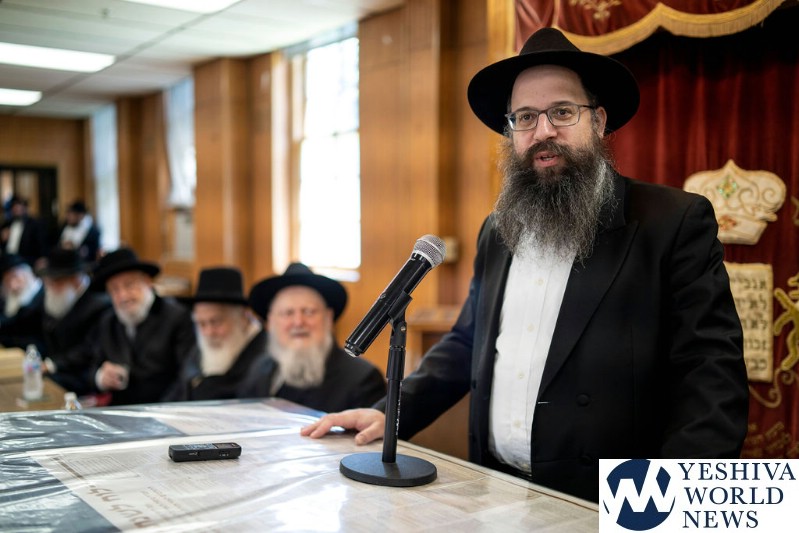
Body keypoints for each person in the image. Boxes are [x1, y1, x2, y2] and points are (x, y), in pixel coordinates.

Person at [301, 27, 750, 502]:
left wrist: (670, 507)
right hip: (494, 488)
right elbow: (467, 342)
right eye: (525, 117)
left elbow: (710, 377)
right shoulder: (498, 229)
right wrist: (391, 414)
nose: (544, 131)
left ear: (598, 121)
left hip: (614, 502)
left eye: (563, 112)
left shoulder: (672, 222)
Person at [240, 262, 386, 413]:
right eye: (288, 313)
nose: (298, 322)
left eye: (309, 312)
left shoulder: (362, 379)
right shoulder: (259, 369)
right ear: (270, 322)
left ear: (328, 318)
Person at [89, 247, 195, 405]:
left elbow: (185, 377)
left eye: (129, 285)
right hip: (120, 411)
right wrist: (101, 377)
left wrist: (159, 412)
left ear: (147, 281)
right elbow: (92, 366)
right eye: (115, 289)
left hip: (164, 410)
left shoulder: (177, 317)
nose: (123, 296)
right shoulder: (108, 321)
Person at [164, 266, 267, 401]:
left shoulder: (264, 353)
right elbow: (177, 391)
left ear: (243, 318)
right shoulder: (199, 349)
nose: (209, 332)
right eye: (201, 324)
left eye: (216, 322)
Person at [39, 247, 112, 395]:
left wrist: (52, 364)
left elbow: (88, 350)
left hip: (84, 378)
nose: (51, 288)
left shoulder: (99, 304)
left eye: (57, 282)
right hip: (61, 371)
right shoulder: (61, 299)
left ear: (75, 280)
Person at [0, 253, 45, 350]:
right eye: (7, 281)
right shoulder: (7, 300)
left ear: (27, 273)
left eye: (15, 276)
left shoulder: (43, 296)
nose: (13, 285)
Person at [1, 195, 48, 267]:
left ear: (25, 208)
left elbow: (41, 242)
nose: (17, 209)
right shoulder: (7, 224)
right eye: (14, 207)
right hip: (6, 255)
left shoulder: (33, 224)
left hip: (23, 257)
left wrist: (43, 257)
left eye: (19, 206)